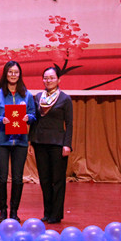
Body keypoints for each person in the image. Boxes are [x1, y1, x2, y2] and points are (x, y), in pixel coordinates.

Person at [0, 60, 36, 222]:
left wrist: (29, 118)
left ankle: (14, 211)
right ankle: (3, 210)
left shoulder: (27, 95)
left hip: (20, 141)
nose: (13, 75)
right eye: (10, 72)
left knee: (17, 177)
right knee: (1, 177)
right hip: (1, 141)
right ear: (5, 74)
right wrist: (1, 119)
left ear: (20, 75)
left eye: (16, 72)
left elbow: (33, 115)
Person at [29, 65, 73, 224]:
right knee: (44, 179)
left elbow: (69, 124)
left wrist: (67, 145)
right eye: (46, 78)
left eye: (52, 78)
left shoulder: (65, 99)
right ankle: (47, 212)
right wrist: (31, 140)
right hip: (40, 142)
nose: (48, 81)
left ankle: (56, 214)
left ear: (59, 80)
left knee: (58, 180)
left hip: (58, 144)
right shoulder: (38, 97)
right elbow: (34, 121)